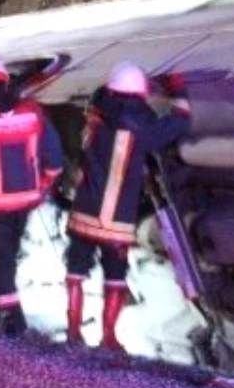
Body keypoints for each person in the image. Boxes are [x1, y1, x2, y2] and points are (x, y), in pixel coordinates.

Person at [65, 62, 191, 351]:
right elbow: (182, 119)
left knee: (75, 271)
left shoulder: (95, 112)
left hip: (84, 211)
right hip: (118, 220)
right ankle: (108, 338)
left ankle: (73, 333)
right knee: (115, 276)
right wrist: (177, 89)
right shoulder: (142, 124)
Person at [0, 55, 63, 337]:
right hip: (26, 201)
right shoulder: (33, 112)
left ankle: (13, 322)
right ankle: (10, 313)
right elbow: (54, 158)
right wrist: (45, 183)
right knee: (8, 258)